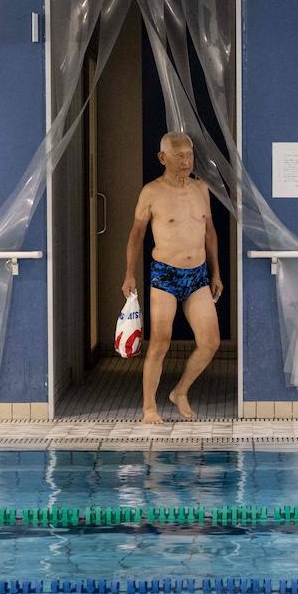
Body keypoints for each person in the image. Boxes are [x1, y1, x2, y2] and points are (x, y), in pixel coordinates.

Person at [122, 131, 224, 424]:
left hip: (198, 275)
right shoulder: (151, 192)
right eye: (179, 156)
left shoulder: (201, 189)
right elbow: (136, 235)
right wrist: (129, 273)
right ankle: (149, 408)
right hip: (165, 273)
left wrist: (216, 272)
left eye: (189, 155)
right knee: (160, 342)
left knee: (210, 342)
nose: (186, 161)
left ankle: (180, 391)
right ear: (162, 158)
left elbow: (210, 232)